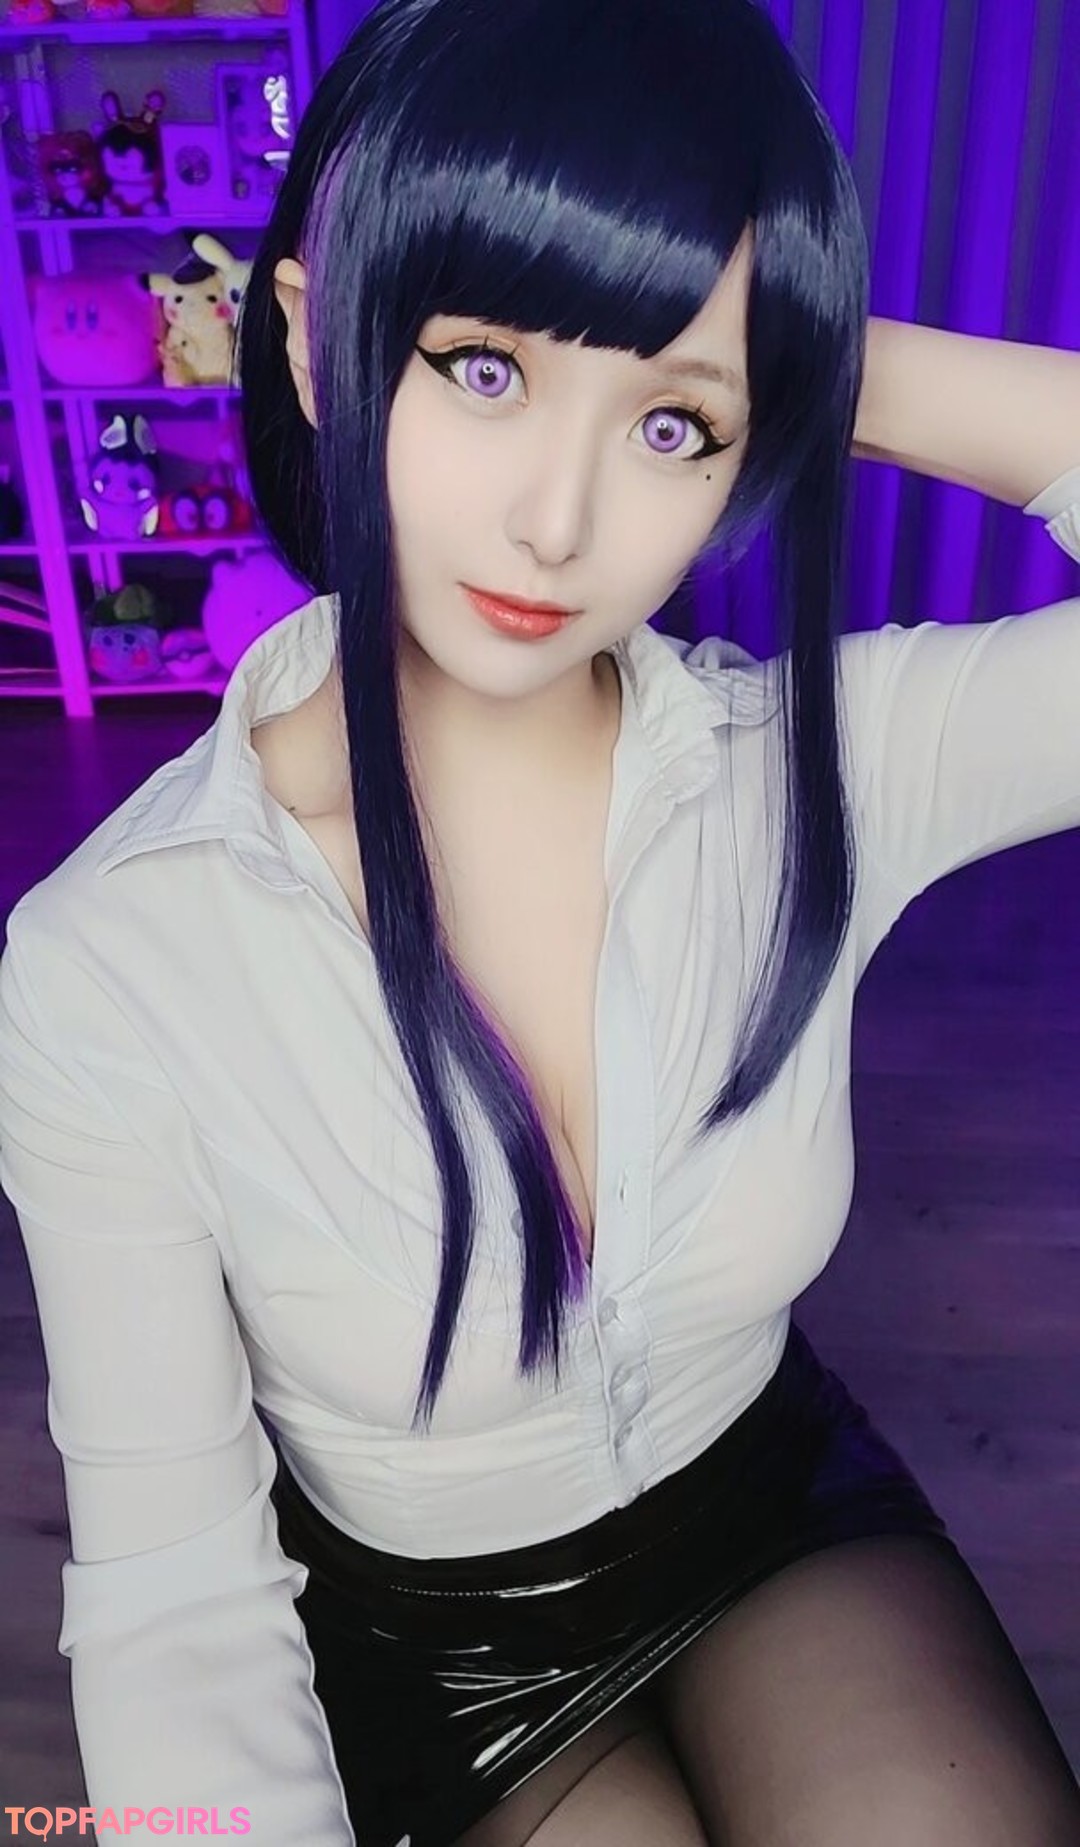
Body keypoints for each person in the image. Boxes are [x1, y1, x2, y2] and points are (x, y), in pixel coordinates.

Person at [1, 0, 1078, 1841]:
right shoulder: (114, 961)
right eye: (482, 368)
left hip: (764, 1507)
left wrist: (803, 341)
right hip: (425, 1637)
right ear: (319, 340)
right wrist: (665, 347)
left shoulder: (811, 764)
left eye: (669, 426)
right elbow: (176, 1601)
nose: (561, 522)